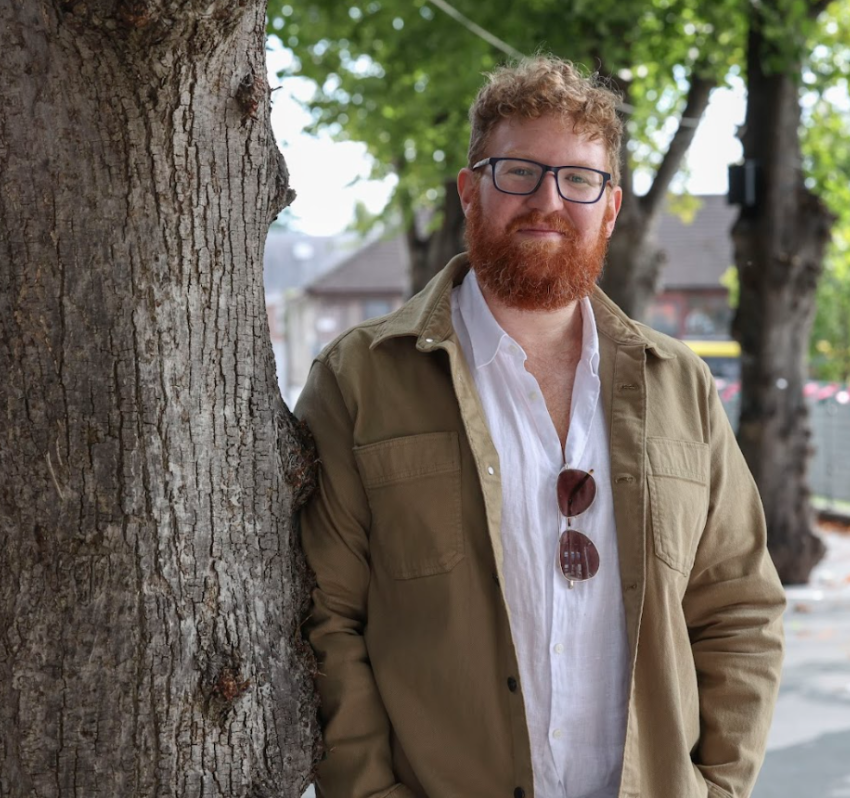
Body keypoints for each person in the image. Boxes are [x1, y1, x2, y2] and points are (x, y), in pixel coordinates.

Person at [296, 56, 786, 798]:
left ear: (610, 208)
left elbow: (740, 607)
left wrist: (716, 787)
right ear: (471, 192)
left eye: (579, 179)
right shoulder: (360, 380)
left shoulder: (680, 386)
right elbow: (323, 617)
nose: (548, 200)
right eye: (518, 171)